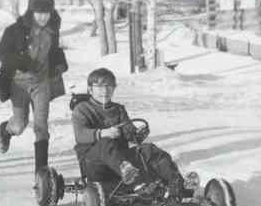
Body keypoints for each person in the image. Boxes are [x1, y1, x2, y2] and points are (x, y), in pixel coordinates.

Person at [72, 68, 185, 196]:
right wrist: (103, 133)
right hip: (94, 162)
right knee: (106, 143)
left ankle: (176, 181)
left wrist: (136, 134)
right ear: (90, 89)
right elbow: (80, 134)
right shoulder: (82, 109)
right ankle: (132, 176)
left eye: (109, 86)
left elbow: (128, 132)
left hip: (120, 157)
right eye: (100, 86)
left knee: (149, 150)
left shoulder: (118, 109)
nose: (105, 90)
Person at [0, 0, 68, 176]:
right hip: (18, 84)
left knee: (41, 126)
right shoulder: (15, 30)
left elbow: (55, 51)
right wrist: (24, 63)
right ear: (31, 12)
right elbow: (2, 54)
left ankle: (41, 172)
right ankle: (6, 130)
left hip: (41, 84)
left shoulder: (53, 30)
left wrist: (60, 63)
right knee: (19, 125)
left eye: (47, 13)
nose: (43, 17)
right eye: (39, 13)